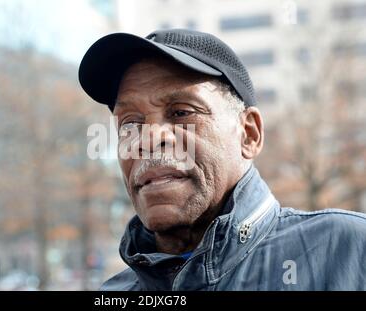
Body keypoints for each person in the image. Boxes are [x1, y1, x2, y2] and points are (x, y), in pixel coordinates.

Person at [78, 29, 366, 290]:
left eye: (181, 112)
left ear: (248, 134)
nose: (148, 139)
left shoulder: (348, 251)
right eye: (130, 124)